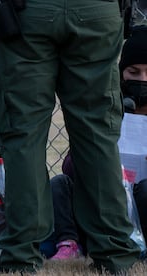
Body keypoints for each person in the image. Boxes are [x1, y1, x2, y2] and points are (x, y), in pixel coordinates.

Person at [0, 0, 140, 274]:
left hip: (27, 13)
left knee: (23, 136)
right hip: (97, 11)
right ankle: (113, 252)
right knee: (97, 135)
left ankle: (21, 255)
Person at [42, 27, 147, 261]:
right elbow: (70, 168)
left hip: (141, 200)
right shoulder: (108, 111)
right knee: (60, 184)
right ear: (121, 74)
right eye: (134, 72)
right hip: (104, 198)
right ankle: (70, 243)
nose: (143, 80)